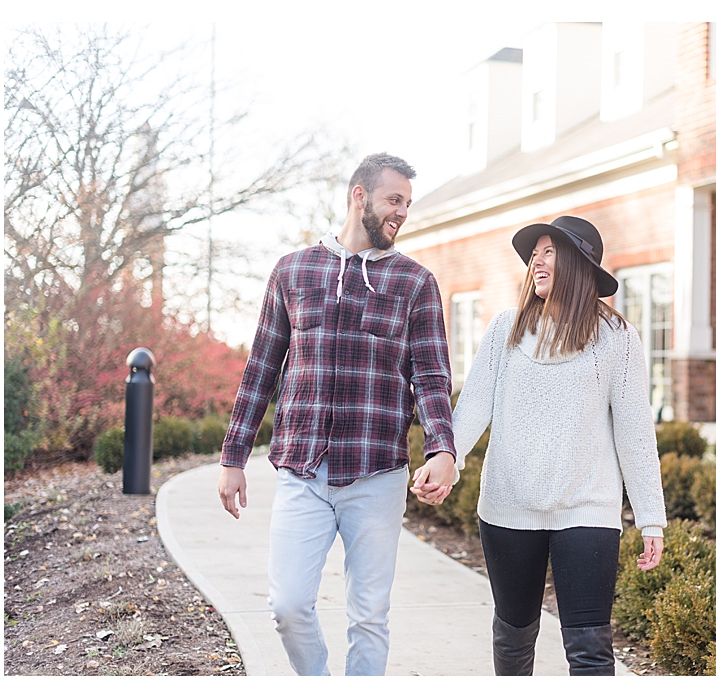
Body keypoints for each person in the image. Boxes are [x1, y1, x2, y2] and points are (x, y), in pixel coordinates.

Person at [217, 153, 458, 676]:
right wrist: (233, 456)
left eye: (408, 205)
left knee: (369, 615)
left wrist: (443, 448)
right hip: (303, 470)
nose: (402, 213)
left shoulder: (415, 282)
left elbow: (432, 377)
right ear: (359, 195)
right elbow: (261, 367)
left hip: (377, 473)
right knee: (287, 605)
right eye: (394, 200)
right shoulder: (293, 269)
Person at [412, 215, 667, 676]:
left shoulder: (617, 338)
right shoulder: (506, 329)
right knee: (514, 637)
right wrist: (444, 458)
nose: (537, 261)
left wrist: (651, 517)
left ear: (578, 263)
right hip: (509, 508)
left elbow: (634, 430)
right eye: (535, 254)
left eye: (549, 251)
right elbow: (472, 408)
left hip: (588, 508)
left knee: (590, 648)